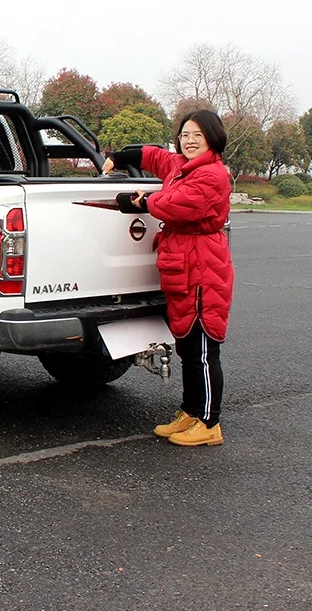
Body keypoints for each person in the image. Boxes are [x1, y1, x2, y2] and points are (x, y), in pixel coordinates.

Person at [102, 110, 234, 446]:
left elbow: (174, 204)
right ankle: (191, 412)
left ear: (212, 139)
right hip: (183, 264)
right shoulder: (182, 166)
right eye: (185, 135)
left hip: (203, 266)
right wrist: (118, 157)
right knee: (188, 345)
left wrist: (141, 201)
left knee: (203, 347)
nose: (189, 141)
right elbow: (155, 156)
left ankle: (208, 423)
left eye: (197, 136)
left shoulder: (212, 175)